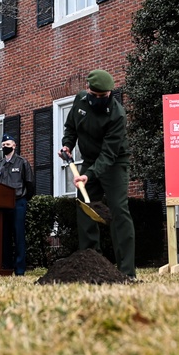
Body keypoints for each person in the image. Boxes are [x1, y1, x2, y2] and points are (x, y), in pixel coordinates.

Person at [59, 69, 136, 279]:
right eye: (96, 96)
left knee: (119, 210)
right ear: (88, 90)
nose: (100, 100)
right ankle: (91, 263)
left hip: (114, 163)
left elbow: (109, 154)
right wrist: (67, 146)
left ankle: (126, 272)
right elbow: (71, 128)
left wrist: (88, 176)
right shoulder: (80, 101)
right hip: (90, 160)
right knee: (85, 207)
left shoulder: (117, 114)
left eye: (105, 96)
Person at [0, 133, 35, 275]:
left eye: (8, 144)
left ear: (14, 145)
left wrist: (24, 199)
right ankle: (6, 267)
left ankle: (19, 269)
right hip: (3, 206)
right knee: (4, 237)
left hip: (18, 203)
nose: (5, 147)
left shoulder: (22, 162)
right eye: (3, 145)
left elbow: (29, 184)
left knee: (19, 236)